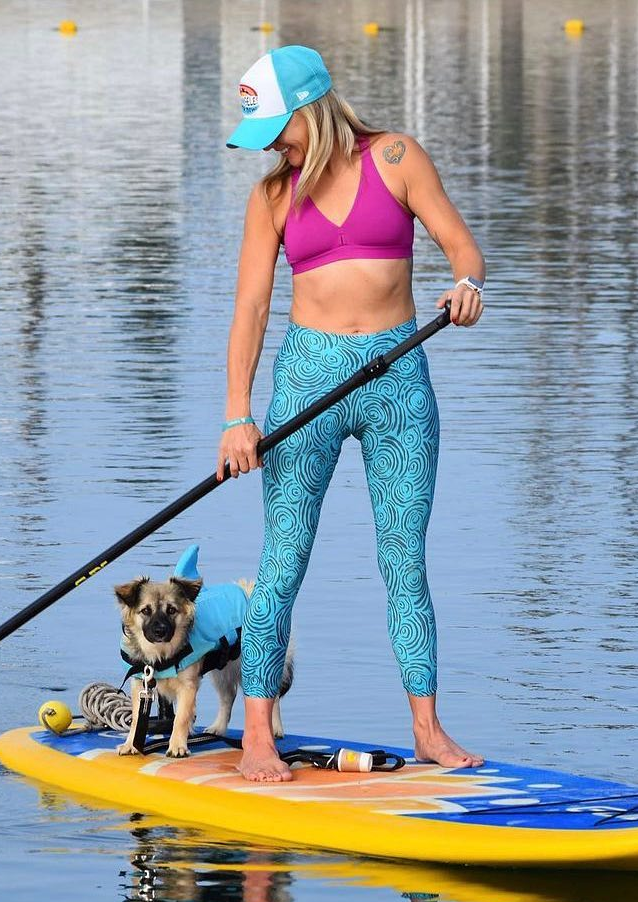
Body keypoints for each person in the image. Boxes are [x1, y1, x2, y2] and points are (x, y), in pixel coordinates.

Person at [217, 45, 485, 782]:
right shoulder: (272, 196)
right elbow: (249, 308)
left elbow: (461, 244)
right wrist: (237, 416)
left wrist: (466, 284)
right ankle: (258, 735)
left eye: (278, 128)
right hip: (308, 382)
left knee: (405, 561)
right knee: (283, 562)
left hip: (399, 379)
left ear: (311, 107)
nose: (271, 145)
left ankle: (428, 730)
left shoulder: (396, 158)